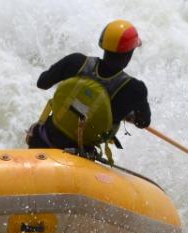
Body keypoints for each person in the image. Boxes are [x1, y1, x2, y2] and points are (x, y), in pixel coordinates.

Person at [26, 19, 151, 160]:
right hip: (81, 157)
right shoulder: (135, 90)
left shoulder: (75, 62)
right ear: (130, 53)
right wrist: (126, 114)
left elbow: (42, 83)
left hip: (42, 142)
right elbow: (143, 122)